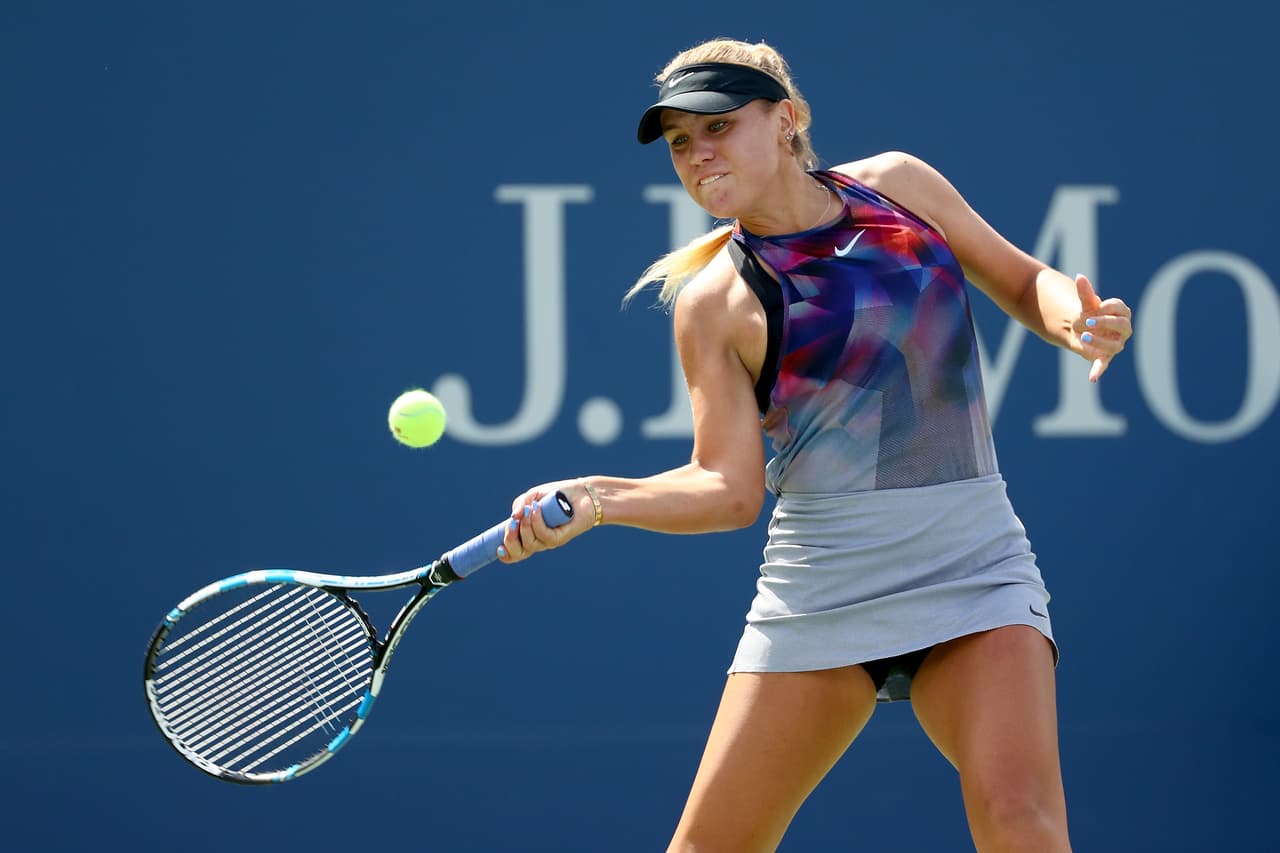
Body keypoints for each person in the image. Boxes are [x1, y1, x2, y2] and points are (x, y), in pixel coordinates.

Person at [497, 37, 1132, 853]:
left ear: (787, 120)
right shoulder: (714, 304)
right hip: (823, 590)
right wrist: (598, 498)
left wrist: (1075, 319)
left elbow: (1021, 280)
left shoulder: (900, 187)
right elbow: (727, 489)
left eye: (718, 127)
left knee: (1023, 825)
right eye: (682, 143)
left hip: (976, 568)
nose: (698, 155)